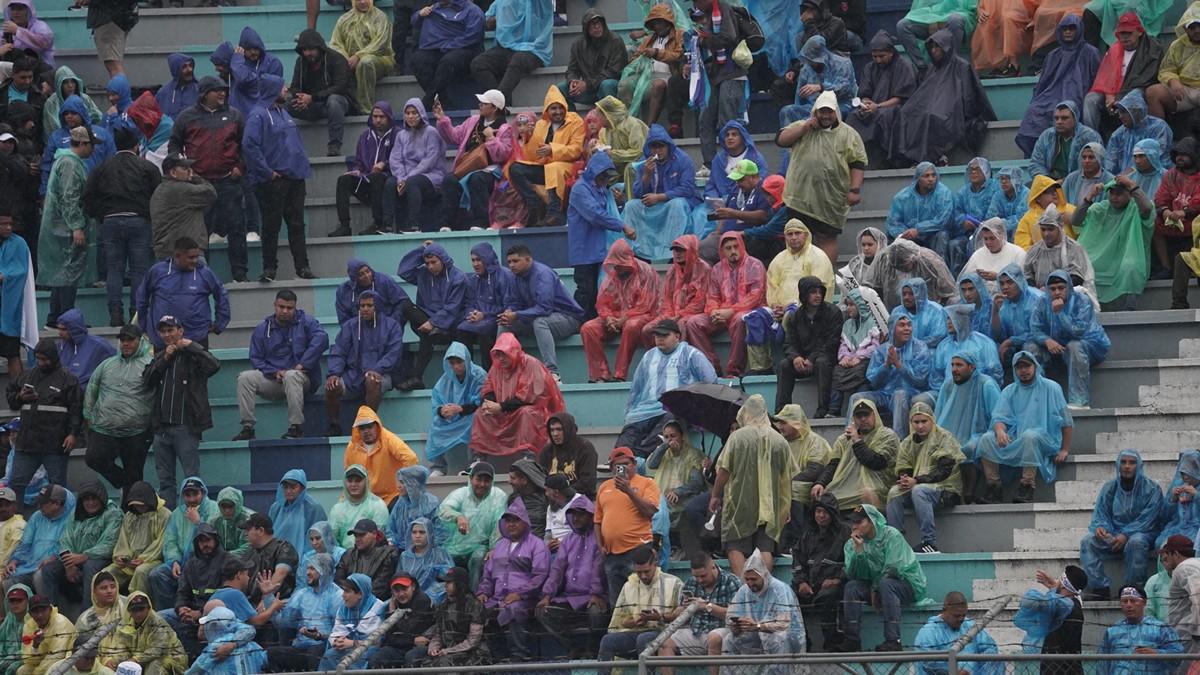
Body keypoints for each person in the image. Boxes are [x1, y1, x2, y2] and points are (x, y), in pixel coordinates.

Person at [166, 77, 248, 281]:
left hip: (229, 181)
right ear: (204, 94)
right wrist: (183, 171)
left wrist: (240, 167)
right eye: (216, 90)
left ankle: (240, 274)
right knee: (200, 232)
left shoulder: (234, 115)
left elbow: (246, 145)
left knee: (237, 228)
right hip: (199, 185)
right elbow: (174, 146)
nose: (222, 94)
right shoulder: (186, 117)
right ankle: (202, 275)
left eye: (224, 90)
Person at [776, 91, 867, 265]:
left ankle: (825, 278)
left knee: (827, 237)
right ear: (815, 111)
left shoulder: (849, 134)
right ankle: (797, 276)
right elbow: (781, 140)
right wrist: (804, 128)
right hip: (799, 197)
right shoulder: (802, 126)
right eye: (822, 111)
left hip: (831, 199)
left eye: (829, 112)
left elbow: (858, 163)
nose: (825, 116)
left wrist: (854, 189)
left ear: (836, 112)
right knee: (797, 236)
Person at [82, 127, 159, 327]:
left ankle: (115, 314)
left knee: (113, 270)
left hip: (110, 221)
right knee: (139, 270)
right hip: (139, 220)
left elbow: (88, 196)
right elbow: (157, 195)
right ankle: (137, 314)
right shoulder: (146, 167)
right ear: (136, 146)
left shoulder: (102, 167)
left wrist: (101, 215)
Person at [142, 315, 220, 509]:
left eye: (171, 330)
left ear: (181, 331)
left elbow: (214, 365)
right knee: (165, 482)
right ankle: (168, 521)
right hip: (161, 429)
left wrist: (191, 346)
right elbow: (146, 380)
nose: (168, 335)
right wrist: (165, 358)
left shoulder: (193, 355)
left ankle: (196, 517)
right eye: (164, 331)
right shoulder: (159, 355)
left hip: (186, 426)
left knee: (192, 479)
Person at [709, 394, 791, 577]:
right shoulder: (779, 440)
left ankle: (745, 590)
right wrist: (786, 506)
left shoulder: (737, 437)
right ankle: (763, 588)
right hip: (770, 504)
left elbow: (723, 470)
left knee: (734, 545)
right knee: (765, 547)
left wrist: (715, 495)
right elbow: (786, 478)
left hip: (740, 502)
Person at [976, 351, 1073, 504]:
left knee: (1030, 436)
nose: (1023, 370)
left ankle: (1027, 486)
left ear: (1035, 366)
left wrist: (1064, 449)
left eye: (1027, 366)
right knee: (987, 439)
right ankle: (994, 487)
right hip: (1017, 436)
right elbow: (999, 417)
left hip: (1046, 438)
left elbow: (1066, 421)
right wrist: (1000, 431)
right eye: (1019, 367)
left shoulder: (1051, 388)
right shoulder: (1009, 390)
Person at [242, 75, 313, 283]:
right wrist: (267, 172)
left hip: (295, 178)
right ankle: (269, 268)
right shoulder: (258, 116)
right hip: (273, 182)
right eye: (282, 87)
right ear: (272, 89)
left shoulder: (284, 112)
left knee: (297, 225)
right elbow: (249, 146)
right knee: (271, 226)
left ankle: (302, 267)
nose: (286, 90)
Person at [233, 290, 328, 441]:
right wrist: (273, 372)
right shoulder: (263, 328)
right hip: (274, 379)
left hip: (302, 378)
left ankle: (296, 427)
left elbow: (322, 339)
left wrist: (302, 364)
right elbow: (256, 358)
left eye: (289, 308)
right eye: (281, 307)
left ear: (295, 307)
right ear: (275, 305)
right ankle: (247, 428)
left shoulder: (307, 322)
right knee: (244, 378)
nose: (285, 311)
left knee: (292, 375)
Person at [618, 318, 716, 457]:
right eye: (657, 335)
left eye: (665, 335)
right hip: (648, 409)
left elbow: (710, 380)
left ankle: (639, 456)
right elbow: (637, 388)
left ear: (677, 336)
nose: (660, 339)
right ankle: (618, 457)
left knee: (669, 422)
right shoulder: (648, 357)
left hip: (678, 407)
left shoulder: (691, 355)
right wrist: (631, 411)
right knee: (633, 427)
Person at [899, 30, 996, 167]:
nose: (934, 51)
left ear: (947, 47)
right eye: (931, 47)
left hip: (954, 112)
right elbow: (924, 95)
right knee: (907, 113)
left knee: (932, 116)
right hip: (936, 108)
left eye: (937, 47)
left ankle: (934, 158)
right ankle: (911, 159)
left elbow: (969, 97)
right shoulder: (933, 68)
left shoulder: (962, 66)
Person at [840, 504, 928, 652]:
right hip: (879, 586)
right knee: (852, 587)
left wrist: (875, 589)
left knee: (886, 583)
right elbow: (854, 574)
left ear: (872, 521)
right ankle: (852, 640)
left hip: (906, 584)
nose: (855, 526)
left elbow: (893, 569)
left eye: (860, 522)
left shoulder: (891, 535)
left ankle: (893, 641)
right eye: (853, 522)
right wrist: (859, 551)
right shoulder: (851, 544)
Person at [1079, 451, 1164, 600]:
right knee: (1088, 541)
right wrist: (1101, 527)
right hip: (1114, 533)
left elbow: (1148, 519)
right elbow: (1102, 512)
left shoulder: (1152, 489)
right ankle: (1100, 588)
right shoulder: (1109, 487)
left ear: (1139, 466)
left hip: (1144, 533)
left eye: (1132, 462)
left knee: (1136, 542)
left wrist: (1126, 534)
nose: (1127, 466)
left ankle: (1134, 588)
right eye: (1123, 462)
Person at [884, 402, 964, 554]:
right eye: (916, 422)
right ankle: (895, 543)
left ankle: (929, 542)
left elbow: (944, 470)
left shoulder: (944, 438)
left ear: (932, 420)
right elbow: (903, 466)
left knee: (919, 491)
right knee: (894, 492)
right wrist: (905, 479)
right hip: (921, 486)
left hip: (946, 490)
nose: (920, 426)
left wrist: (917, 481)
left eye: (924, 421)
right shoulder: (908, 442)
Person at [4, 340, 81, 498]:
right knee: (16, 485)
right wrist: (20, 396)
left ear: (53, 358)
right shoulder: (27, 376)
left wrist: (73, 434)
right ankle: (15, 521)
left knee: (57, 488)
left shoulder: (68, 379)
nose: (40, 363)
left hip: (55, 443)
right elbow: (11, 398)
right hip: (27, 443)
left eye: (44, 359)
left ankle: (61, 521)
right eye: (38, 358)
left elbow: (76, 410)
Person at [469, 332, 565, 458]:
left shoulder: (531, 364)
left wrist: (501, 406)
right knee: (480, 414)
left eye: (504, 354)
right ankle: (478, 458)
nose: (501, 359)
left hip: (535, 409)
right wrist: (488, 404)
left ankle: (529, 455)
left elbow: (529, 397)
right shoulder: (497, 367)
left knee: (526, 413)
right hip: (504, 409)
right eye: (498, 355)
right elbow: (488, 388)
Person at [683, 232, 766, 377]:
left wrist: (731, 311)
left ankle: (734, 371)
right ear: (722, 251)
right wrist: (714, 311)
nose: (733, 251)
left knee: (740, 319)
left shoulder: (755, 265)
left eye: (736, 246)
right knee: (693, 323)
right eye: (728, 248)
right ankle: (711, 369)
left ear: (742, 246)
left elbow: (755, 296)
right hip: (721, 312)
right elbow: (712, 296)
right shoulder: (717, 269)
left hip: (748, 310)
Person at [475, 498, 549, 661]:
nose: (511, 524)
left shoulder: (536, 545)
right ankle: (493, 657)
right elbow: (488, 574)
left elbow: (540, 575)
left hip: (525, 599)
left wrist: (520, 594)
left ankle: (519, 656)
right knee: (478, 609)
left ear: (525, 522)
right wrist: (483, 592)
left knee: (513, 609)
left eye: (516, 520)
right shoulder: (500, 545)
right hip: (497, 598)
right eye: (508, 521)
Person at [1017, 16, 1102, 156]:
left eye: (1072, 28)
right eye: (1064, 29)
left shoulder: (1090, 52)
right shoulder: (1053, 55)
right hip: (1052, 94)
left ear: (1079, 30)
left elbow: (1097, 78)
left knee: (1067, 109)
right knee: (1035, 109)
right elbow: (1044, 82)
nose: (1068, 32)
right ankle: (1039, 154)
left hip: (1079, 94)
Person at [497, 245, 585, 379]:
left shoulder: (543, 274)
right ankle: (503, 372)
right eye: (509, 262)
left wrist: (517, 315)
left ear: (528, 259)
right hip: (536, 317)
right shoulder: (514, 277)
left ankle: (553, 373)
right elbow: (513, 302)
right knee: (504, 323)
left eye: (515, 261)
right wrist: (509, 312)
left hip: (568, 318)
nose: (511, 265)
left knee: (540, 322)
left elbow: (545, 308)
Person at [536, 494, 605, 658]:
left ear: (590, 515)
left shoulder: (599, 538)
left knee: (597, 612)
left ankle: (594, 651)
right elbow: (557, 569)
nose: (576, 518)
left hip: (593, 596)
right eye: (573, 514)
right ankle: (574, 648)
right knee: (544, 611)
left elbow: (598, 568)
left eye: (581, 514)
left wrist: (596, 593)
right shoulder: (568, 540)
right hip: (569, 597)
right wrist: (547, 595)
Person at [580, 239, 658, 383]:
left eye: (619, 264)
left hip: (642, 315)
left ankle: (619, 374)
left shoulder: (646, 271)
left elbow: (646, 305)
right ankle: (600, 374)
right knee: (588, 328)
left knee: (631, 325)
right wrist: (608, 318)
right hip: (616, 317)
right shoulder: (613, 275)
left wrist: (623, 319)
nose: (616, 268)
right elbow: (603, 303)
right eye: (614, 264)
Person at [32, 480, 118, 611]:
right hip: (74, 558)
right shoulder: (76, 514)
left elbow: (109, 543)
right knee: (49, 569)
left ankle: (88, 613)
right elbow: (65, 539)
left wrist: (84, 556)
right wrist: (69, 564)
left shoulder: (113, 514)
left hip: (100, 558)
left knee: (90, 566)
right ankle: (50, 613)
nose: (90, 503)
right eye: (86, 499)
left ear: (102, 498)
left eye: (94, 499)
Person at [1031, 270, 1111, 408]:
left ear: (1069, 288)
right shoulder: (1042, 302)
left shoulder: (1082, 300)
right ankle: (1037, 401)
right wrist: (1047, 340)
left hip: (1090, 344)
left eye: (1061, 288)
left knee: (1074, 346)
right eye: (1053, 289)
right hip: (1057, 346)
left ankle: (1079, 400)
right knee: (1031, 348)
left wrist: (1060, 313)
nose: (1057, 292)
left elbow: (1079, 331)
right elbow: (1035, 328)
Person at [433, 92, 512, 232]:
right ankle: (447, 223)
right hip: (469, 164)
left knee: (477, 179)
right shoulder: (473, 121)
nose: (480, 105)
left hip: (491, 169)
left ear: (494, 108)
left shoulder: (505, 128)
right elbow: (454, 137)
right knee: (449, 180)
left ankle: (481, 222)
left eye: (484, 103)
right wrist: (442, 120)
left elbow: (503, 155)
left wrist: (492, 139)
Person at [39, 125, 94, 326]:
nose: (93, 150)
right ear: (82, 143)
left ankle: (55, 318)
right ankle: (67, 319)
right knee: (68, 274)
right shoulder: (70, 163)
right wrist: (77, 226)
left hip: (61, 226)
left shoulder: (63, 160)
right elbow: (69, 196)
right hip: (65, 228)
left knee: (60, 275)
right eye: (91, 145)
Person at [325, 292, 404, 431]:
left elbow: (393, 353)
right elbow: (338, 351)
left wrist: (378, 369)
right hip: (353, 374)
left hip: (382, 374)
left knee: (372, 380)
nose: (365, 309)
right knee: (332, 385)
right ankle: (334, 424)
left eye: (369, 305)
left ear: (377, 306)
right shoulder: (350, 326)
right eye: (362, 306)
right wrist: (334, 373)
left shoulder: (391, 326)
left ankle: (368, 423)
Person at [568, 154, 634, 318]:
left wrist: (618, 202)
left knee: (600, 290)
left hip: (599, 248)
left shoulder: (601, 190)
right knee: (586, 290)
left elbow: (608, 211)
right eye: (603, 175)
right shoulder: (580, 189)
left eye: (607, 176)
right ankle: (579, 325)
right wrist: (622, 226)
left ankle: (594, 323)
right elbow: (595, 215)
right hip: (584, 249)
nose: (605, 179)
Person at [1073, 176, 1154, 308]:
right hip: (1101, 258)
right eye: (1112, 193)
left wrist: (1132, 185)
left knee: (1130, 268)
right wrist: (1089, 197)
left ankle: (1128, 313)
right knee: (1082, 265)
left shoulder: (1135, 207)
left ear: (1130, 194)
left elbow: (1147, 208)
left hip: (1128, 256)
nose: (1114, 197)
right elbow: (1075, 221)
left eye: (1120, 194)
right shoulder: (1100, 209)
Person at [395, 243, 468, 390]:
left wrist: (434, 322)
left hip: (448, 325)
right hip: (426, 321)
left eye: (434, 262)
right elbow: (403, 271)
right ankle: (416, 376)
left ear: (443, 260)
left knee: (426, 335)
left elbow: (452, 308)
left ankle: (417, 376)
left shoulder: (458, 277)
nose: (430, 266)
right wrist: (421, 250)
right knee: (404, 305)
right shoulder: (423, 273)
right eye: (427, 263)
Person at [507, 87, 582, 228]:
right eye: (553, 108)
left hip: (567, 166)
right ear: (547, 110)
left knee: (554, 168)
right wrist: (528, 139)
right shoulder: (541, 125)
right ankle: (533, 201)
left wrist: (552, 149)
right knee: (515, 168)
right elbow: (533, 157)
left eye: (560, 108)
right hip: (544, 167)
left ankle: (555, 214)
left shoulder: (575, 121)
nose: (558, 112)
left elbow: (576, 150)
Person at [137, 239, 230, 351]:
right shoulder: (158, 271)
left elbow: (221, 295)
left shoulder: (205, 272)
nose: (195, 260)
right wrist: (144, 326)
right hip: (163, 340)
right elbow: (142, 297)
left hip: (196, 339)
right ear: (177, 256)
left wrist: (219, 324)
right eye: (191, 257)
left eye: (197, 256)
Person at [595, 447, 660, 605]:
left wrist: (628, 490)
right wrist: (600, 545)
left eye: (626, 464)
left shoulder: (647, 483)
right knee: (617, 602)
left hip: (638, 550)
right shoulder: (604, 487)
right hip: (611, 553)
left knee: (642, 598)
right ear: (611, 468)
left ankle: (644, 627)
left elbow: (650, 511)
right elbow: (597, 520)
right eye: (617, 465)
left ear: (634, 464)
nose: (622, 468)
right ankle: (618, 629)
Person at [849, 314, 931, 438]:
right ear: (892, 328)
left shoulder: (920, 348)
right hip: (884, 394)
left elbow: (921, 380)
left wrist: (899, 366)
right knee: (857, 397)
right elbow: (873, 382)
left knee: (899, 395)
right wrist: (886, 365)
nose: (907, 328)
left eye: (909, 325)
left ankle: (899, 441)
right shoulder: (881, 350)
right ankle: (849, 438)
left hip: (910, 393)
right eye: (902, 325)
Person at [935, 351, 1002, 502]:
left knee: (968, 447)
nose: (954, 369)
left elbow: (999, 415)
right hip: (951, 434)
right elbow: (938, 415)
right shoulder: (948, 385)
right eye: (952, 365)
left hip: (983, 433)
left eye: (959, 365)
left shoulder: (986, 384)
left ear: (972, 367)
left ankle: (972, 491)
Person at [690, 0, 751, 167]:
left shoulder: (722, 8)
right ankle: (710, 164)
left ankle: (732, 162)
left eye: (697, 1)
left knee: (728, 121)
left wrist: (704, 40)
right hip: (715, 76)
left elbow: (728, 37)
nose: (696, 5)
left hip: (731, 73)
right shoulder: (708, 15)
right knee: (705, 119)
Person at [624, 125, 697, 262]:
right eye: (654, 147)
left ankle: (674, 251)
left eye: (661, 146)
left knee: (677, 204)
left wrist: (660, 197)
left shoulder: (683, 159)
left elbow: (687, 189)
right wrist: (646, 176)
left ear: (668, 146)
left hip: (673, 204)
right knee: (631, 206)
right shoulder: (645, 162)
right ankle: (638, 254)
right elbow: (637, 193)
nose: (657, 150)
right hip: (654, 206)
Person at [771, 275, 841, 416]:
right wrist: (795, 357)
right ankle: (782, 412)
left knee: (822, 362)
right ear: (804, 294)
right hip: (802, 361)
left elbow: (831, 342)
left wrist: (812, 359)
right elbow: (789, 342)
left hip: (825, 358)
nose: (818, 295)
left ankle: (823, 409)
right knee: (785, 365)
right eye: (813, 292)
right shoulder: (795, 316)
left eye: (820, 292)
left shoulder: (833, 312)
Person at [598, 544, 682, 661]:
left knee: (644, 639)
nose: (643, 576)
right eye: (639, 572)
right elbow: (621, 621)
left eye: (647, 571)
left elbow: (682, 617)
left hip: (665, 633)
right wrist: (635, 621)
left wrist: (659, 618)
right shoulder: (629, 585)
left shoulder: (674, 583)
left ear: (655, 564)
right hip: (636, 632)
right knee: (607, 641)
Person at [1084, 12, 1165, 132]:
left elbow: (1145, 80)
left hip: (1137, 90)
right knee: (1090, 99)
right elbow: (1105, 78)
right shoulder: (1114, 50)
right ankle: (1092, 138)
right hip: (1112, 92)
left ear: (1140, 32)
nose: (1125, 37)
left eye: (1129, 33)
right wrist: (1109, 95)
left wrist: (1119, 97)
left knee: (1134, 97)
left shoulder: (1152, 49)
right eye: (1122, 33)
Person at [722, 549, 806, 662]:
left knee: (775, 638)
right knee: (729, 639)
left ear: (764, 575)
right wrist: (737, 626)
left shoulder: (779, 589)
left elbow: (784, 624)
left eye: (754, 579)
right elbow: (732, 614)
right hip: (755, 632)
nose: (750, 583)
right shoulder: (744, 590)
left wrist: (758, 626)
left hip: (783, 635)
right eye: (747, 579)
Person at [149, 477, 219, 613]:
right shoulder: (177, 513)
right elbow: (170, 541)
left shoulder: (213, 508)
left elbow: (214, 537)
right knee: (157, 574)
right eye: (188, 495)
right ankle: (168, 613)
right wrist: (174, 561)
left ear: (203, 493)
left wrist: (199, 522)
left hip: (205, 560)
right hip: (181, 562)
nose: (192, 499)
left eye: (195, 494)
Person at [847, 31, 917, 166]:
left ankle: (883, 161)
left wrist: (878, 106)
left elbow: (901, 97)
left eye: (882, 56)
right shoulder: (869, 68)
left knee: (883, 117)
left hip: (896, 107)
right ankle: (856, 161)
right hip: (872, 107)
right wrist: (866, 102)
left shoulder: (904, 66)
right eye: (874, 56)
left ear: (891, 52)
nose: (878, 60)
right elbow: (865, 92)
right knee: (854, 116)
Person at [792, 492, 848, 651]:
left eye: (825, 512)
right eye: (818, 511)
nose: (821, 516)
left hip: (834, 585)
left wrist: (837, 579)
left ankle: (832, 641)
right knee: (791, 597)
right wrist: (802, 582)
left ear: (832, 514)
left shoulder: (845, 533)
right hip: (810, 584)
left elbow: (852, 561)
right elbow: (798, 558)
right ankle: (804, 642)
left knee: (827, 597)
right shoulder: (808, 534)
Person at [287, 29, 354, 159]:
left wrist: (313, 98)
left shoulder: (336, 59)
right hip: (314, 105)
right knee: (287, 103)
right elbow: (295, 86)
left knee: (334, 101)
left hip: (340, 102)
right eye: (304, 50)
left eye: (311, 49)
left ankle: (335, 145)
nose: (307, 53)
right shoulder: (300, 62)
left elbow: (340, 87)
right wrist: (300, 98)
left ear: (319, 48)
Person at [469, 0, 552, 103]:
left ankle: (496, 103)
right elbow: (489, 23)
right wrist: (499, 18)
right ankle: (500, 104)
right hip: (507, 46)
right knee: (478, 64)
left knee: (518, 59)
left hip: (534, 48)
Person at [619, 3, 686, 131]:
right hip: (646, 77)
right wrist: (639, 58)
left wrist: (656, 53)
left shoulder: (679, 35)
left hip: (670, 78)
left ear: (668, 22)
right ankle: (628, 122)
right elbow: (635, 59)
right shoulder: (649, 39)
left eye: (660, 22)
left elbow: (678, 55)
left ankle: (649, 126)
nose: (657, 26)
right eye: (655, 23)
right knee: (625, 84)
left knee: (658, 85)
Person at [331, 103, 394, 236]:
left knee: (376, 177)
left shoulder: (397, 134)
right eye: (375, 116)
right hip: (367, 180)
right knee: (343, 180)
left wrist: (385, 164)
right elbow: (359, 161)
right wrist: (356, 171)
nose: (378, 120)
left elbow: (401, 159)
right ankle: (344, 225)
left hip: (388, 181)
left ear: (388, 117)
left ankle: (379, 223)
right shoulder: (364, 137)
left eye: (381, 116)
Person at [168, 524, 229, 660]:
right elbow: (182, 592)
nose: (204, 544)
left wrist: (200, 614)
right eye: (201, 541)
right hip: (191, 611)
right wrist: (181, 609)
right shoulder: (191, 563)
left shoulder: (227, 561)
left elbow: (226, 597)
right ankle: (181, 659)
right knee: (163, 617)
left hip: (215, 613)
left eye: (207, 540)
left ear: (215, 540)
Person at [409, 0, 484, 110]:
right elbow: (414, 20)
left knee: (448, 62)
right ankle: (443, 101)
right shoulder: (435, 8)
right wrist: (419, 14)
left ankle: (428, 100)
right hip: (440, 48)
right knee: (418, 60)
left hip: (466, 49)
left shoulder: (472, 11)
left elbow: (473, 37)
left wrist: (449, 46)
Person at [384, 98, 444, 234]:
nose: (410, 116)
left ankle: (414, 225)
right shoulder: (401, 135)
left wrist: (407, 178)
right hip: (405, 176)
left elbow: (430, 160)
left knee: (412, 182)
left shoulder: (431, 132)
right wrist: (400, 177)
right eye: (407, 113)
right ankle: (386, 225)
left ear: (421, 113)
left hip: (430, 175)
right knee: (389, 183)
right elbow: (395, 159)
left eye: (414, 113)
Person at [439, 461, 506, 582]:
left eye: (487, 481)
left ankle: (473, 596)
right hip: (456, 545)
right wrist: (458, 517)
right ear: (470, 478)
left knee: (478, 558)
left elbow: (499, 524)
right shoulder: (461, 493)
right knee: (443, 561)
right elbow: (444, 510)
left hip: (481, 545)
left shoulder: (498, 496)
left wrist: (494, 548)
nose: (482, 484)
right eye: (478, 479)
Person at [427, 344, 486, 476]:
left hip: (472, 414)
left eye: (459, 362)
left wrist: (460, 408)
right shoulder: (446, 378)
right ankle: (438, 467)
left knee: (477, 418)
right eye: (452, 363)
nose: (456, 367)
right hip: (454, 417)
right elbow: (437, 401)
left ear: (467, 359)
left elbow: (483, 402)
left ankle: (476, 460)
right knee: (436, 423)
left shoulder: (479, 375)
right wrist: (441, 411)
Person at [1013, 565, 1087, 670]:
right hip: (1068, 665)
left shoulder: (1065, 605)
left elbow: (1029, 601)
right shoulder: (1075, 604)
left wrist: (1053, 588)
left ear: (1063, 584)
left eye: (1060, 579)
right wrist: (1054, 587)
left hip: (1057, 666)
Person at [101, 482, 169, 595]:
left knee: (141, 571)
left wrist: (143, 559)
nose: (139, 508)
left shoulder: (164, 515)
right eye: (136, 505)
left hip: (153, 560)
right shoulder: (130, 516)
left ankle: (138, 605)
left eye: (141, 505)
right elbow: (123, 539)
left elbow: (161, 543)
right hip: (129, 562)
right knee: (106, 573)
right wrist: (121, 556)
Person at [414, 566, 489, 667]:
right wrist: (433, 648)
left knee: (443, 663)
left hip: (472, 653)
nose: (445, 586)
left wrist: (449, 651)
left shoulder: (474, 605)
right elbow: (438, 633)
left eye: (449, 582)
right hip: (447, 652)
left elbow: (473, 641)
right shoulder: (443, 605)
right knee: (420, 662)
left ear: (460, 584)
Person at [342, 407, 418, 505]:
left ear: (377, 426)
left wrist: (403, 483)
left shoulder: (389, 439)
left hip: (392, 496)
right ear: (357, 430)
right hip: (365, 499)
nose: (366, 431)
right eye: (362, 428)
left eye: (369, 426)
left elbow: (411, 458)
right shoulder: (352, 447)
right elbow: (348, 474)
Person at [1100, 584, 1185, 671]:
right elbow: (1102, 663)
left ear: (1144, 603)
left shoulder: (1160, 628)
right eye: (1125, 601)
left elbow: (1178, 655)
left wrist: (1157, 653)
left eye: (1133, 601)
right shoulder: (1112, 631)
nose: (1129, 605)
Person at [925, 304, 1002, 399]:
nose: (948, 322)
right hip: (948, 394)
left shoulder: (984, 343)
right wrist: (946, 390)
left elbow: (994, 374)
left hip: (976, 395)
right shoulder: (943, 346)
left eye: (952, 318)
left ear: (964, 319)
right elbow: (936, 377)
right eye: (947, 318)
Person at [830, 288, 887, 417]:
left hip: (865, 360)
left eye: (852, 305)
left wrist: (859, 356)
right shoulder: (848, 324)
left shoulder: (873, 323)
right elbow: (844, 344)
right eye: (847, 305)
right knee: (838, 371)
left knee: (862, 371)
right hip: (851, 359)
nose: (848, 308)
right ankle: (834, 409)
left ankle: (860, 407)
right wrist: (844, 357)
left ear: (860, 305)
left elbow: (875, 346)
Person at [150, 154, 216, 262]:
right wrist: (195, 177)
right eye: (185, 169)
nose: (190, 171)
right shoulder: (181, 189)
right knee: (197, 279)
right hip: (187, 254)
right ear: (173, 173)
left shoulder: (160, 189)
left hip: (166, 252)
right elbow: (210, 193)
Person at [914, 591, 1001, 673]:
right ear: (944, 610)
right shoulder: (929, 631)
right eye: (956, 615)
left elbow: (990, 649)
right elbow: (927, 662)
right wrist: (953, 672)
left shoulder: (970, 626)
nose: (961, 619)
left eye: (963, 615)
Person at [779, 35, 857, 127]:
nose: (811, 64)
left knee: (825, 115)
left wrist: (821, 87)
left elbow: (845, 88)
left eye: (812, 61)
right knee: (787, 111)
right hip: (813, 107)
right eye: (809, 61)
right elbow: (799, 96)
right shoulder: (806, 68)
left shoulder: (843, 64)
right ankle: (791, 139)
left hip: (839, 105)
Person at [646, 419, 705, 539]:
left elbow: (696, 482)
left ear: (682, 436)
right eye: (666, 437)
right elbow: (652, 464)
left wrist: (678, 491)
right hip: (663, 499)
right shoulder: (663, 452)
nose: (670, 440)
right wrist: (664, 447)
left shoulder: (693, 454)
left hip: (684, 498)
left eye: (673, 436)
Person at [558, 10, 627, 110]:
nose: (597, 27)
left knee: (607, 84)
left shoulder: (615, 41)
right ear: (586, 27)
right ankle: (572, 121)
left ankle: (610, 121)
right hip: (589, 90)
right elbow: (572, 70)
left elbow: (614, 72)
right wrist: (573, 81)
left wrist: (587, 84)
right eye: (592, 24)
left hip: (609, 87)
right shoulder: (578, 45)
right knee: (561, 88)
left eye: (599, 23)